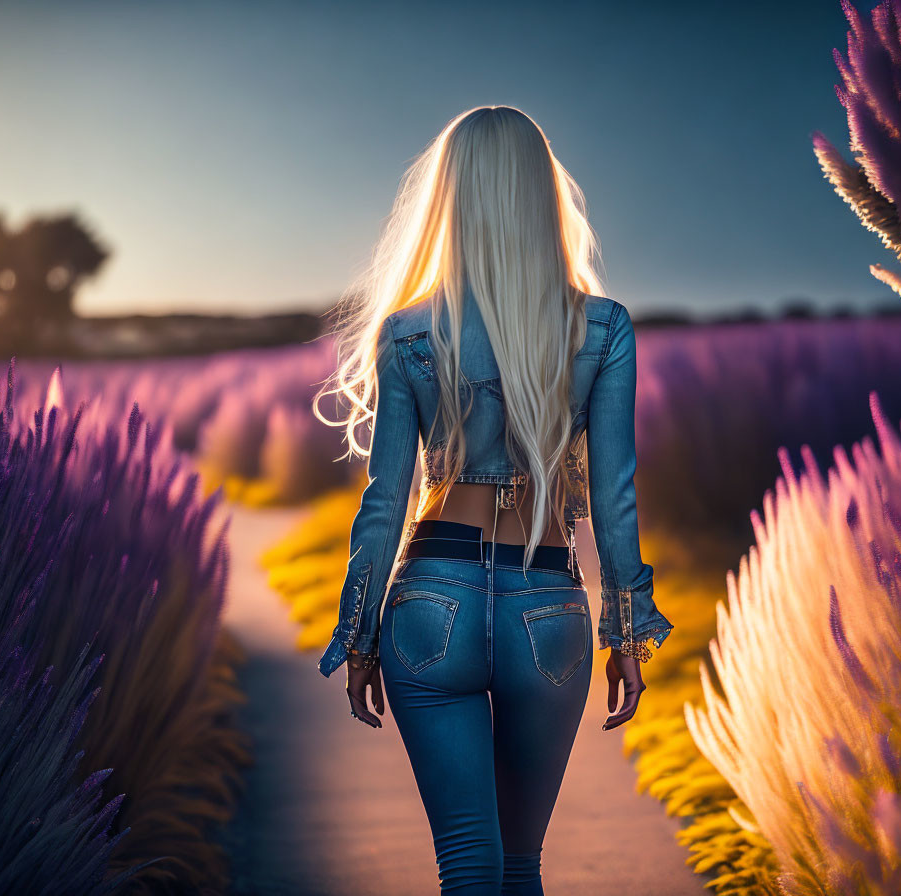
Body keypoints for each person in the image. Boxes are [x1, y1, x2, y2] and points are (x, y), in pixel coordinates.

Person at [313, 104, 674, 895]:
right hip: (545, 603)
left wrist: (360, 633)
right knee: (518, 867)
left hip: (428, 599)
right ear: (543, 193)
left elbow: (385, 500)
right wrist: (628, 635)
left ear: (454, 196)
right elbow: (615, 500)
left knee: (467, 867)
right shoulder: (604, 328)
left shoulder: (408, 332)